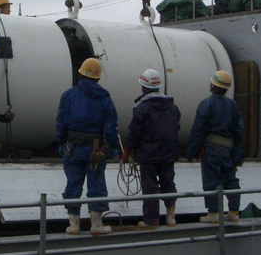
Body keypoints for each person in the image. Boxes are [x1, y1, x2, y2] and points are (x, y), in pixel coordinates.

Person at [56, 58, 118, 236]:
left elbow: (60, 124)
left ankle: (74, 226)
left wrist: (61, 143)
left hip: (72, 149)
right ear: (98, 78)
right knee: (96, 184)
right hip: (96, 150)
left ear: (80, 74)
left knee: (73, 185)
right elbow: (111, 128)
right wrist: (113, 148)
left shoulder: (68, 96)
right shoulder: (104, 99)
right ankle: (96, 225)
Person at [122, 69, 181, 228]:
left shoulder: (142, 108)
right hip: (168, 154)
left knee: (150, 188)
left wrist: (127, 151)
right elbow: (176, 127)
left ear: (143, 87)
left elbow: (134, 132)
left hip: (149, 155)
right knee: (168, 183)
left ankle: (151, 221)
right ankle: (171, 218)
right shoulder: (172, 107)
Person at [186, 70, 244, 223]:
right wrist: (237, 149)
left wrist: (191, 152)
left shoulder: (207, 104)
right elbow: (239, 130)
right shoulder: (233, 105)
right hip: (229, 148)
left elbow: (198, 130)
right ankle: (233, 212)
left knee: (212, 181)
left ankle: (213, 213)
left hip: (211, 149)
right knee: (230, 180)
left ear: (213, 84)